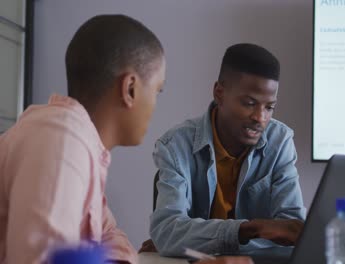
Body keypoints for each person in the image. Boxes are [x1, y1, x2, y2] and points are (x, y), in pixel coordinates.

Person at [0, 14, 248, 264]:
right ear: (130, 88)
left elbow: (112, 237)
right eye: (156, 91)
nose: (154, 104)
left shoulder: (80, 143)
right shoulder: (62, 142)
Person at [148, 43, 306, 257]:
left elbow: (294, 236)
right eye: (249, 103)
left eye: (269, 107)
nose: (260, 118)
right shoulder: (176, 145)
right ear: (219, 93)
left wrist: (191, 242)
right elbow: (167, 233)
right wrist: (249, 229)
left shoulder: (280, 142)